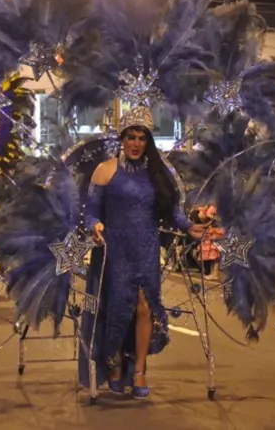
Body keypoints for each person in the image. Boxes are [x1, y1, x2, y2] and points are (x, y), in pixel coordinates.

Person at [84, 110, 208, 399]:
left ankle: (139, 369)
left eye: (142, 138)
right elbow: (90, 211)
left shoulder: (157, 172)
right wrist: (95, 225)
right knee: (117, 307)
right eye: (131, 137)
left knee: (145, 307)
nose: (136, 143)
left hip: (147, 247)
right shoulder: (105, 170)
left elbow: (171, 211)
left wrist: (190, 227)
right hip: (116, 249)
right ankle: (114, 364)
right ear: (122, 139)